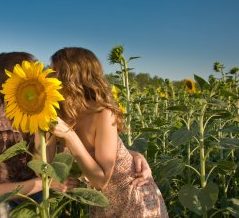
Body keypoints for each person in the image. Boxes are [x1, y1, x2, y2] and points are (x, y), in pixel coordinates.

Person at [0, 51, 154, 217]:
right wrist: (47, 183)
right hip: (5, 197)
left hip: (53, 192)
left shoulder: (55, 108)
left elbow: (91, 143)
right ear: (11, 90)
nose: (46, 77)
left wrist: (130, 156)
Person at [49, 47, 168, 218]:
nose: (48, 78)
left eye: (54, 73)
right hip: (102, 204)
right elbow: (45, 163)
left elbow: (101, 180)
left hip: (132, 197)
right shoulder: (59, 113)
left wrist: (69, 135)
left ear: (71, 77)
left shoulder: (102, 113)